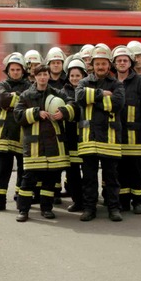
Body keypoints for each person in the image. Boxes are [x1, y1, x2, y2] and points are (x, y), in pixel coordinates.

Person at [13, 66, 74, 221]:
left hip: (53, 144)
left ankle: (46, 209)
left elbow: (73, 106)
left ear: (48, 76)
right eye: (39, 74)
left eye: (45, 74)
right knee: (28, 179)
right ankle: (23, 210)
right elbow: (18, 116)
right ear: (34, 77)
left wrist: (64, 112)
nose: (42, 77)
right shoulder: (26, 95)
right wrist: (36, 113)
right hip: (34, 146)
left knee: (50, 179)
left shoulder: (57, 93)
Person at [75, 45, 123, 222]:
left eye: (103, 63)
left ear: (108, 65)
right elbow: (79, 97)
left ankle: (113, 209)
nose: (100, 67)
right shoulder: (83, 82)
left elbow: (118, 104)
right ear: (92, 65)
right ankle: (89, 209)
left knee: (111, 178)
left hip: (109, 139)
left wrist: (92, 100)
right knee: (89, 179)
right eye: (97, 64)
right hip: (88, 139)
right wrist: (101, 94)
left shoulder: (117, 84)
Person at [112, 45, 141, 215]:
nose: (122, 63)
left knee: (137, 169)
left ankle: (138, 201)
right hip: (116, 135)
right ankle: (123, 202)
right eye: (119, 61)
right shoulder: (112, 82)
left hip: (135, 135)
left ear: (130, 62)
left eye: (125, 60)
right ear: (114, 63)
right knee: (120, 171)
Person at [0, 52, 28, 213]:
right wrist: (20, 99)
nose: (16, 72)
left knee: (23, 170)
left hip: (22, 134)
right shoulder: (1, 85)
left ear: (23, 71)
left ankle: (20, 198)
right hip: (3, 135)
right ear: (8, 71)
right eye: (13, 69)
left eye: (18, 69)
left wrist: (13, 98)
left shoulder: (29, 86)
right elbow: (2, 99)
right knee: (2, 170)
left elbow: (28, 101)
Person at [59, 57, 86, 212]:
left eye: (78, 75)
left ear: (83, 76)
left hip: (87, 137)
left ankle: (89, 200)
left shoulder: (88, 88)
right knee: (73, 172)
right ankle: (78, 201)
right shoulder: (63, 92)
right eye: (72, 76)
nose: (75, 78)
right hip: (70, 138)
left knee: (89, 173)